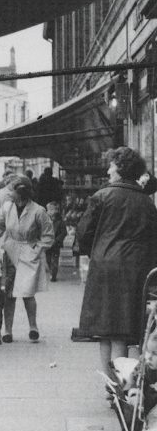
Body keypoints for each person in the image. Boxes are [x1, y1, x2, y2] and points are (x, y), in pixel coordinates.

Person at [76, 147, 157, 383]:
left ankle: (111, 382)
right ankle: (122, 381)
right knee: (122, 326)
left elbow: (84, 233)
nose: (108, 170)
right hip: (135, 269)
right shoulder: (147, 202)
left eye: (112, 165)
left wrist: (96, 252)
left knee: (104, 326)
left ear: (121, 169)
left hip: (104, 265)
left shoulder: (102, 196)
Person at [0, 175, 54, 343]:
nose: (7, 193)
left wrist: (36, 248)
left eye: (10, 190)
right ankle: (7, 330)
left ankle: (33, 327)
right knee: (9, 293)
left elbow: (49, 236)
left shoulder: (38, 211)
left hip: (29, 252)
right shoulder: (6, 207)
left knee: (27, 293)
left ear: (20, 193)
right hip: (10, 251)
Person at [45, 201, 66, 282]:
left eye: (49, 210)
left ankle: (53, 275)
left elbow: (64, 232)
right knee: (48, 259)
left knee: (55, 259)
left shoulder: (60, 221)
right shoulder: (46, 220)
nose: (47, 212)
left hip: (56, 244)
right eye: (47, 210)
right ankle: (51, 271)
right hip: (48, 243)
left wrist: (57, 240)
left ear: (55, 211)